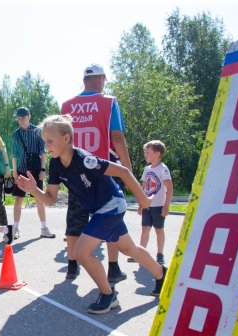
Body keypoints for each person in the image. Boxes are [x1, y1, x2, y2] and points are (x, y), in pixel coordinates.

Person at [16, 115, 166, 314]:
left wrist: (143, 200)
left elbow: (123, 172)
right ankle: (161, 274)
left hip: (111, 205)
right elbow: (51, 198)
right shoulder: (55, 164)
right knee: (128, 249)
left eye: (50, 141)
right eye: (44, 142)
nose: (46, 146)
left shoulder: (85, 160)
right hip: (99, 211)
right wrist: (34, 190)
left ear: (66, 138)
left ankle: (107, 294)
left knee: (80, 252)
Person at [60, 64, 131, 282]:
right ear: (101, 79)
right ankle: (113, 268)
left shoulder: (67, 105)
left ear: (84, 80)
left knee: (75, 219)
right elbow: (117, 137)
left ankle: (72, 266)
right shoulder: (108, 102)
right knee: (109, 218)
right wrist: (127, 170)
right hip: (101, 171)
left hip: (74, 171)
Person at [11, 107, 56, 240]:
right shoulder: (15, 134)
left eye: (23, 118)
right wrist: (14, 171)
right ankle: (16, 228)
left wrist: (43, 170)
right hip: (21, 170)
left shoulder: (38, 131)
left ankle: (44, 228)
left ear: (29, 117)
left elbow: (43, 152)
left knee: (39, 199)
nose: (21, 121)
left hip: (36, 170)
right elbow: (13, 154)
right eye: (18, 118)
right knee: (19, 199)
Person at [134, 140, 173, 265]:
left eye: (147, 152)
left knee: (159, 229)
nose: (145, 155)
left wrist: (166, 206)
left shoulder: (163, 169)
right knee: (145, 229)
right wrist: (141, 204)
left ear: (157, 153)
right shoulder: (147, 169)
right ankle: (141, 253)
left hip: (158, 206)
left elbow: (170, 188)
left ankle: (160, 254)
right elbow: (144, 188)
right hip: (147, 205)